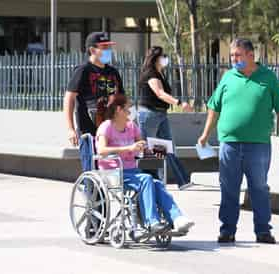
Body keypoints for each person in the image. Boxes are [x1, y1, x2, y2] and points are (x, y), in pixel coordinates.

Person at [198, 38, 279, 244]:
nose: (234, 59)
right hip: (229, 144)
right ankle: (227, 230)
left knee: (259, 188)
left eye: (238, 55)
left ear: (251, 55)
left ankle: (263, 231)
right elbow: (214, 107)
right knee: (228, 188)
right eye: (232, 56)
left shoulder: (268, 78)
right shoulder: (228, 77)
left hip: (258, 145)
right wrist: (205, 134)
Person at [96, 93, 195, 233]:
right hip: (114, 174)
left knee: (157, 183)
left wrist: (157, 149)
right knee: (147, 179)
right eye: (127, 109)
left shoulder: (131, 127)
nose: (130, 113)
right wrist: (128, 148)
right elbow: (101, 150)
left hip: (132, 172)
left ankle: (177, 218)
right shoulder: (106, 127)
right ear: (118, 110)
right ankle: (151, 221)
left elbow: (142, 145)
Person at [64, 32, 125, 171]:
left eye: (109, 47)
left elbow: (122, 99)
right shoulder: (83, 70)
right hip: (89, 131)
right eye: (104, 47)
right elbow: (69, 98)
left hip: (111, 131)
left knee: (111, 171)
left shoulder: (113, 72)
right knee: (91, 168)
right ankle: (89, 191)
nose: (108, 51)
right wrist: (70, 129)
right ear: (92, 50)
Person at [137, 46, 194, 190]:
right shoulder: (150, 74)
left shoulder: (159, 73)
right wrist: (179, 103)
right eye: (163, 56)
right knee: (149, 150)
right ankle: (150, 181)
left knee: (167, 148)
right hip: (149, 114)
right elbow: (160, 93)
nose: (165, 59)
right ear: (156, 58)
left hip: (160, 114)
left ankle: (181, 180)